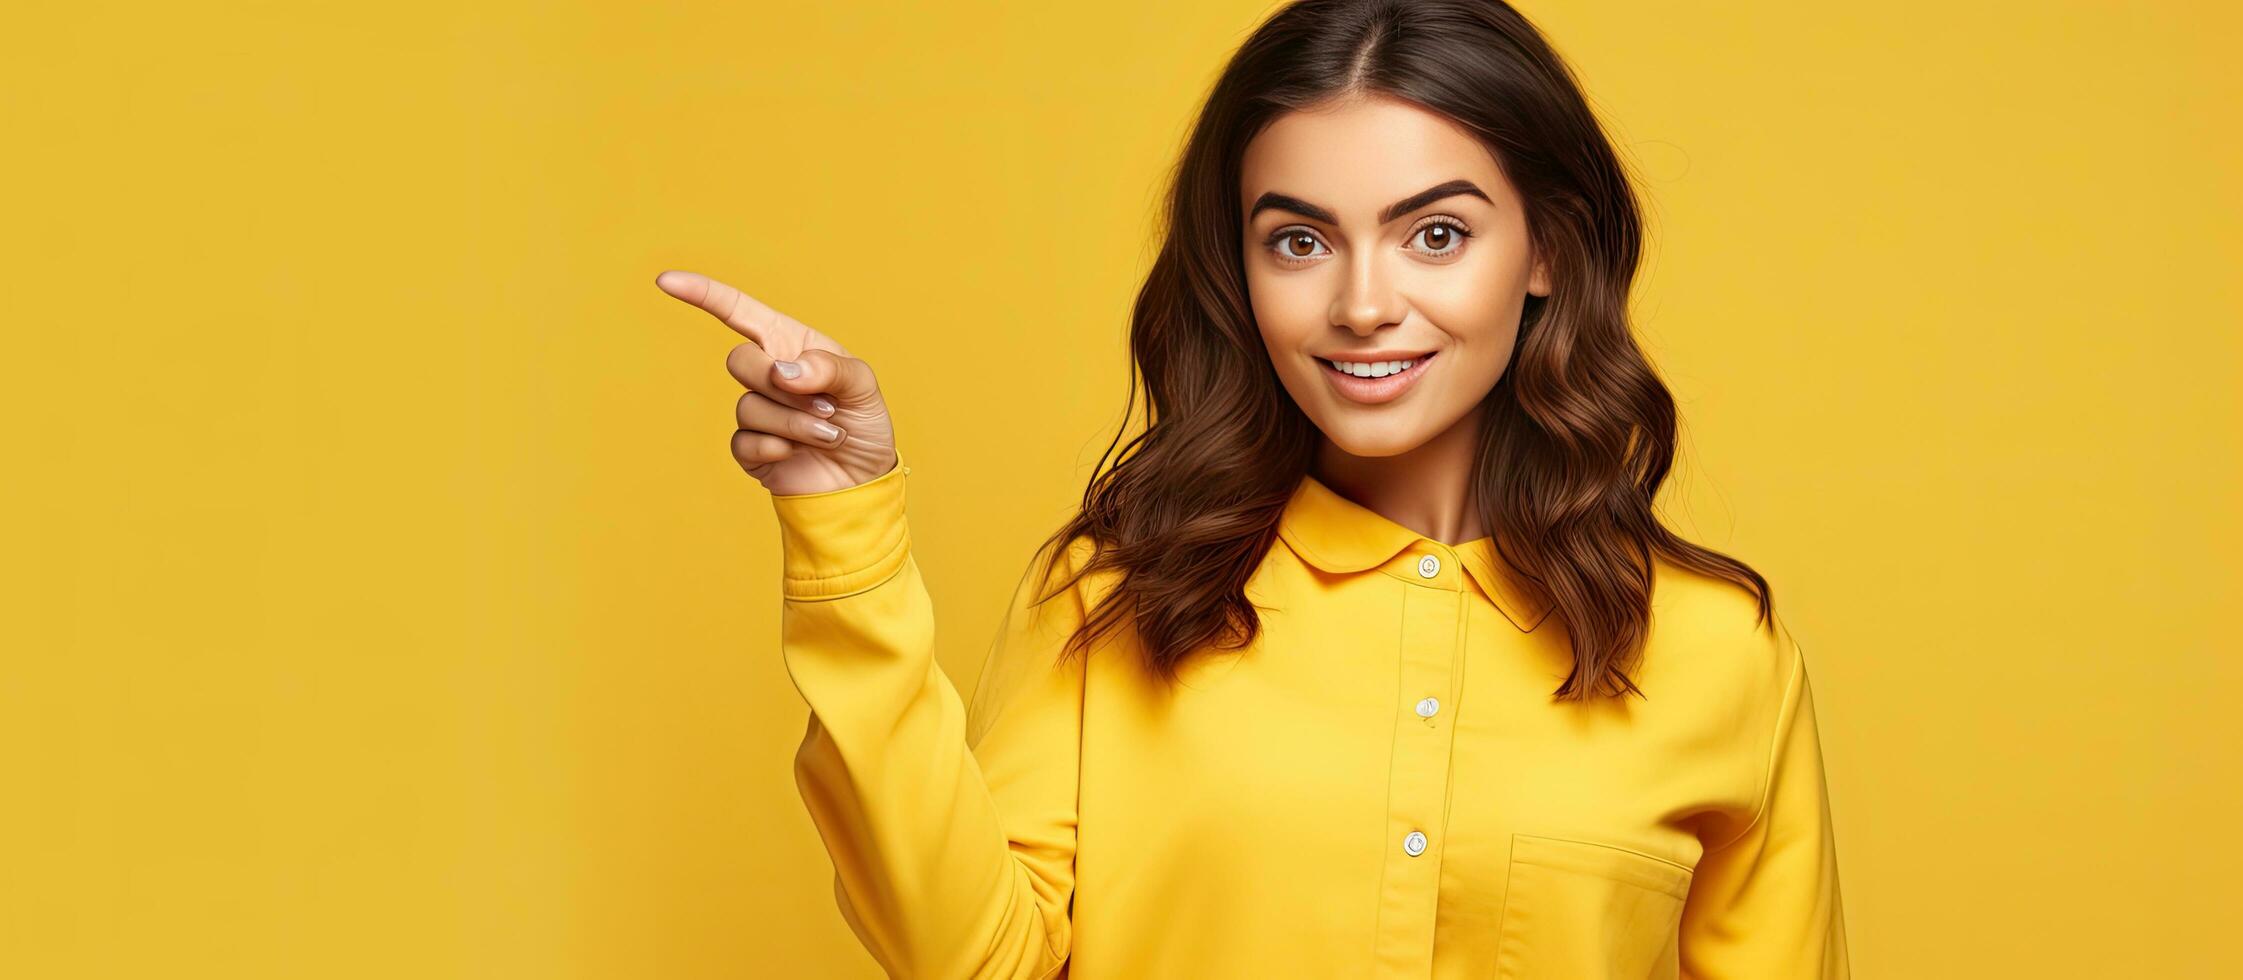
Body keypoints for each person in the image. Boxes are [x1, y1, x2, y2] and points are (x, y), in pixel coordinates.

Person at [654, 0, 1849, 975]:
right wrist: (844, 527)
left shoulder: (1716, 648)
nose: (1362, 303)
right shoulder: (1116, 592)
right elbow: (968, 954)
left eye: (1434, 234)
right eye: (1299, 239)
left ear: (1544, 250)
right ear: (1240, 265)